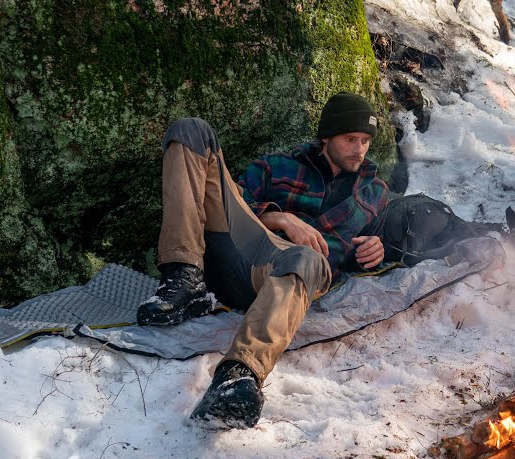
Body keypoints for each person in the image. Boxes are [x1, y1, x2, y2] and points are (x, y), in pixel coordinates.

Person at [136, 92, 395, 429]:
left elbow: (377, 244)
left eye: (365, 141)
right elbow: (235, 205)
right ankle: (184, 277)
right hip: (246, 251)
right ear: (326, 137)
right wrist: (280, 219)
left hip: (295, 279)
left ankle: (237, 376)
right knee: (190, 130)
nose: (360, 148)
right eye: (350, 139)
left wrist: (378, 247)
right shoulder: (276, 167)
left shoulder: (376, 192)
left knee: (308, 257)